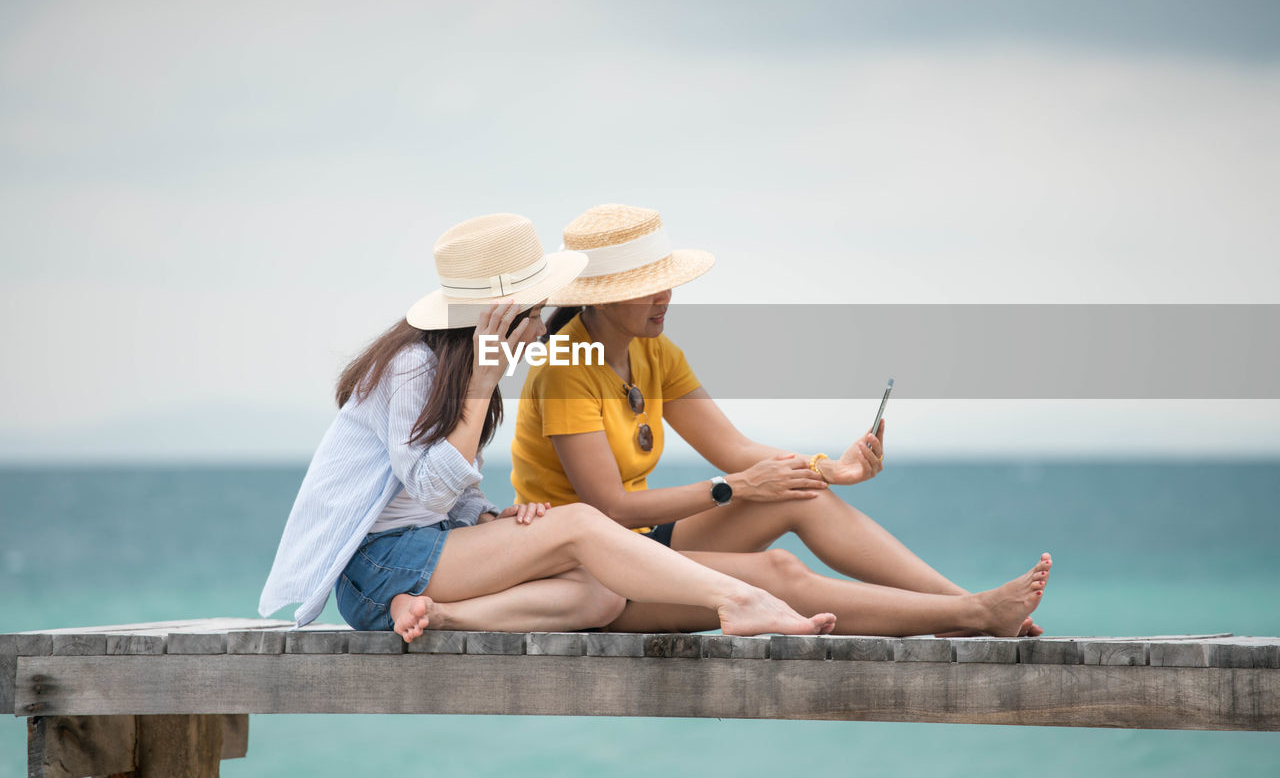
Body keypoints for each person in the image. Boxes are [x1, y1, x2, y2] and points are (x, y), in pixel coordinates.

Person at [259, 213, 837, 643]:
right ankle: (737, 601)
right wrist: (483, 385)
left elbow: (440, 495)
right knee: (582, 524)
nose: (541, 330)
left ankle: (439, 615)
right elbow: (428, 487)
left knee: (603, 591)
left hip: (415, 570)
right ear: (497, 316)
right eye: (533, 313)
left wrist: (490, 518)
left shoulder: (461, 367)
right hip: (376, 566)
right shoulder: (417, 367)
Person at [511, 204, 1051, 637]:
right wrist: (734, 488)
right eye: (648, 286)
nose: (666, 296)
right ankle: (971, 618)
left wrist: (825, 469)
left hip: (642, 544)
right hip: (587, 573)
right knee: (780, 573)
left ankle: (969, 604)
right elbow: (611, 507)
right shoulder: (564, 367)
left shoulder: (655, 352)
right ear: (601, 300)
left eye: (666, 280)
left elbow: (734, 450)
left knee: (801, 494)